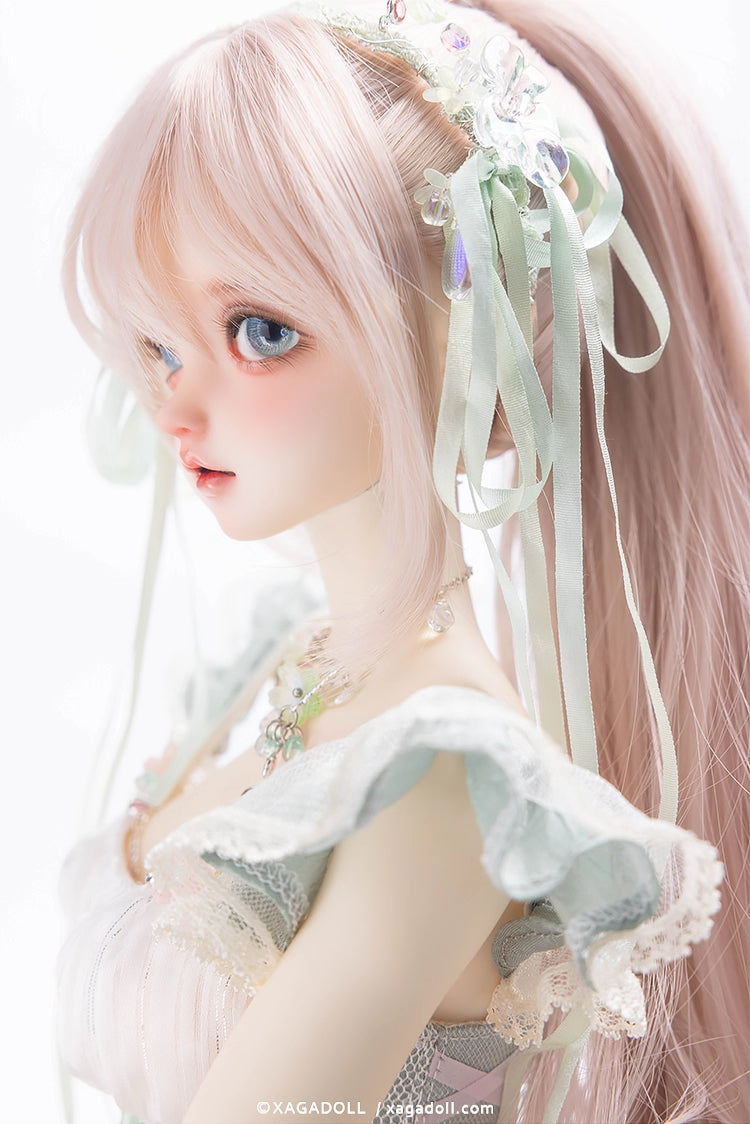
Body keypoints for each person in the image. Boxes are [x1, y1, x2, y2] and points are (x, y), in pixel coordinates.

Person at [56, 0, 750, 1121]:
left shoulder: (442, 776)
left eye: (260, 331)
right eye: (159, 344)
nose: (175, 404)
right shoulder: (295, 662)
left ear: (460, 338)